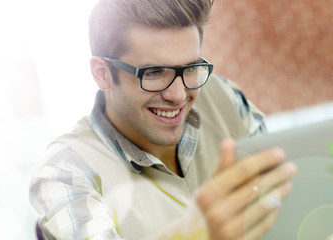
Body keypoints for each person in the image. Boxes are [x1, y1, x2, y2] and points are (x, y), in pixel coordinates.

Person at [29, 0, 297, 239]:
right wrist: (190, 234)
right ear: (102, 73)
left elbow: (291, 202)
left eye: (190, 68)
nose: (178, 95)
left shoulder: (222, 95)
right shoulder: (66, 169)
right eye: (155, 72)